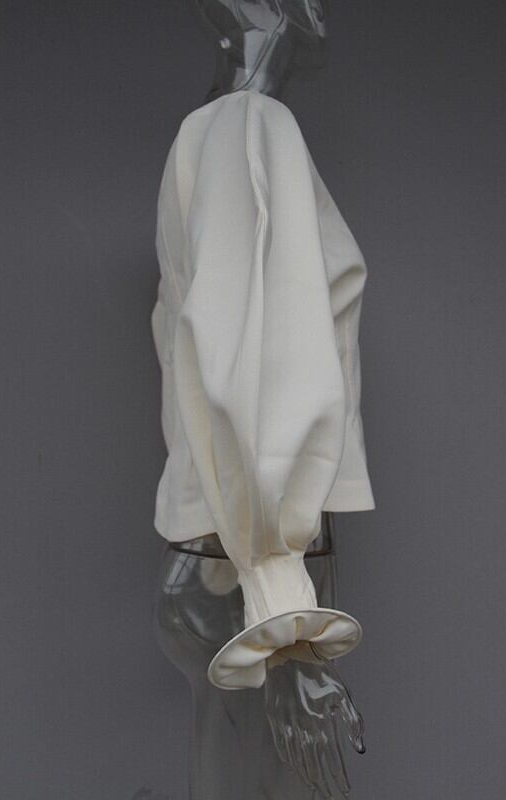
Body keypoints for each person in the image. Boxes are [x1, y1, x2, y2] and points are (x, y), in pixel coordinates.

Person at [151, 2, 374, 796]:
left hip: (221, 561)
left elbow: (218, 351)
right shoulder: (251, 127)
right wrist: (282, 621)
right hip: (244, 572)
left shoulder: (212, 132)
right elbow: (246, 374)